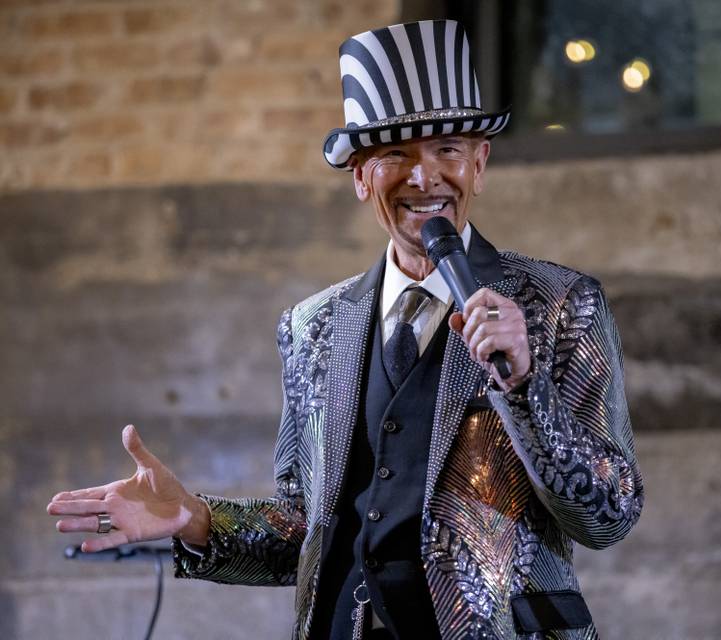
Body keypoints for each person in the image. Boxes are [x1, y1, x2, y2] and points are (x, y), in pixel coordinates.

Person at [48, 20, 644, 640]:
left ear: (479, 163)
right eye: (396, 154)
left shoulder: (559, 303)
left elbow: (610, 515)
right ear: (361, 176)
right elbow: (303, 531)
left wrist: (523, 387)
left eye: (448, 150)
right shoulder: (312, 328)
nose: (425, 178)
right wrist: (195, 520)